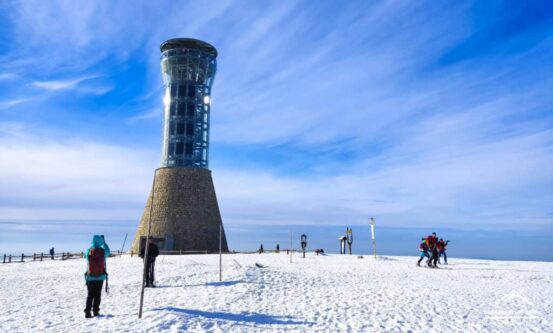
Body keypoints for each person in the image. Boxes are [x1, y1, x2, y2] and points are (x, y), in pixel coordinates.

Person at [84, 235, 110, 318]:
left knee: (90, 295)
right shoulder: (103, 252)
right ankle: (95, 311)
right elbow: (108, 251)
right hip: (100, 276)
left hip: (90, 276)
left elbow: (86, 256)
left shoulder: (88, 251)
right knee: (97, 295)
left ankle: (87, 312)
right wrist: (104, 243)